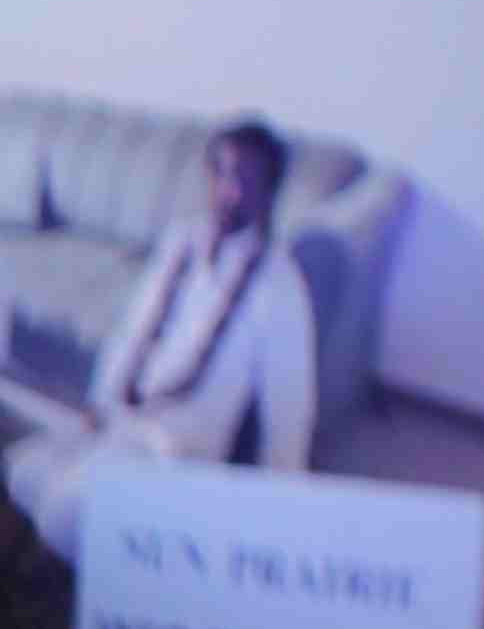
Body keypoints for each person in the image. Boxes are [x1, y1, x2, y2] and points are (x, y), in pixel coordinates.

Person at [3, 123, 321, 559]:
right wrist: (100, 402)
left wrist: (277, 515)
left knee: (61, 513)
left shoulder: (279, 286)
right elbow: (133, 332)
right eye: (221, 172)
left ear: (269, 191)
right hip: (119, 418)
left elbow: (289, 410)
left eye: (246, 179)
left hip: (172, 449)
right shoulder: (181, 240)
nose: (228, 191)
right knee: (22, 470)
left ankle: (116, 562)